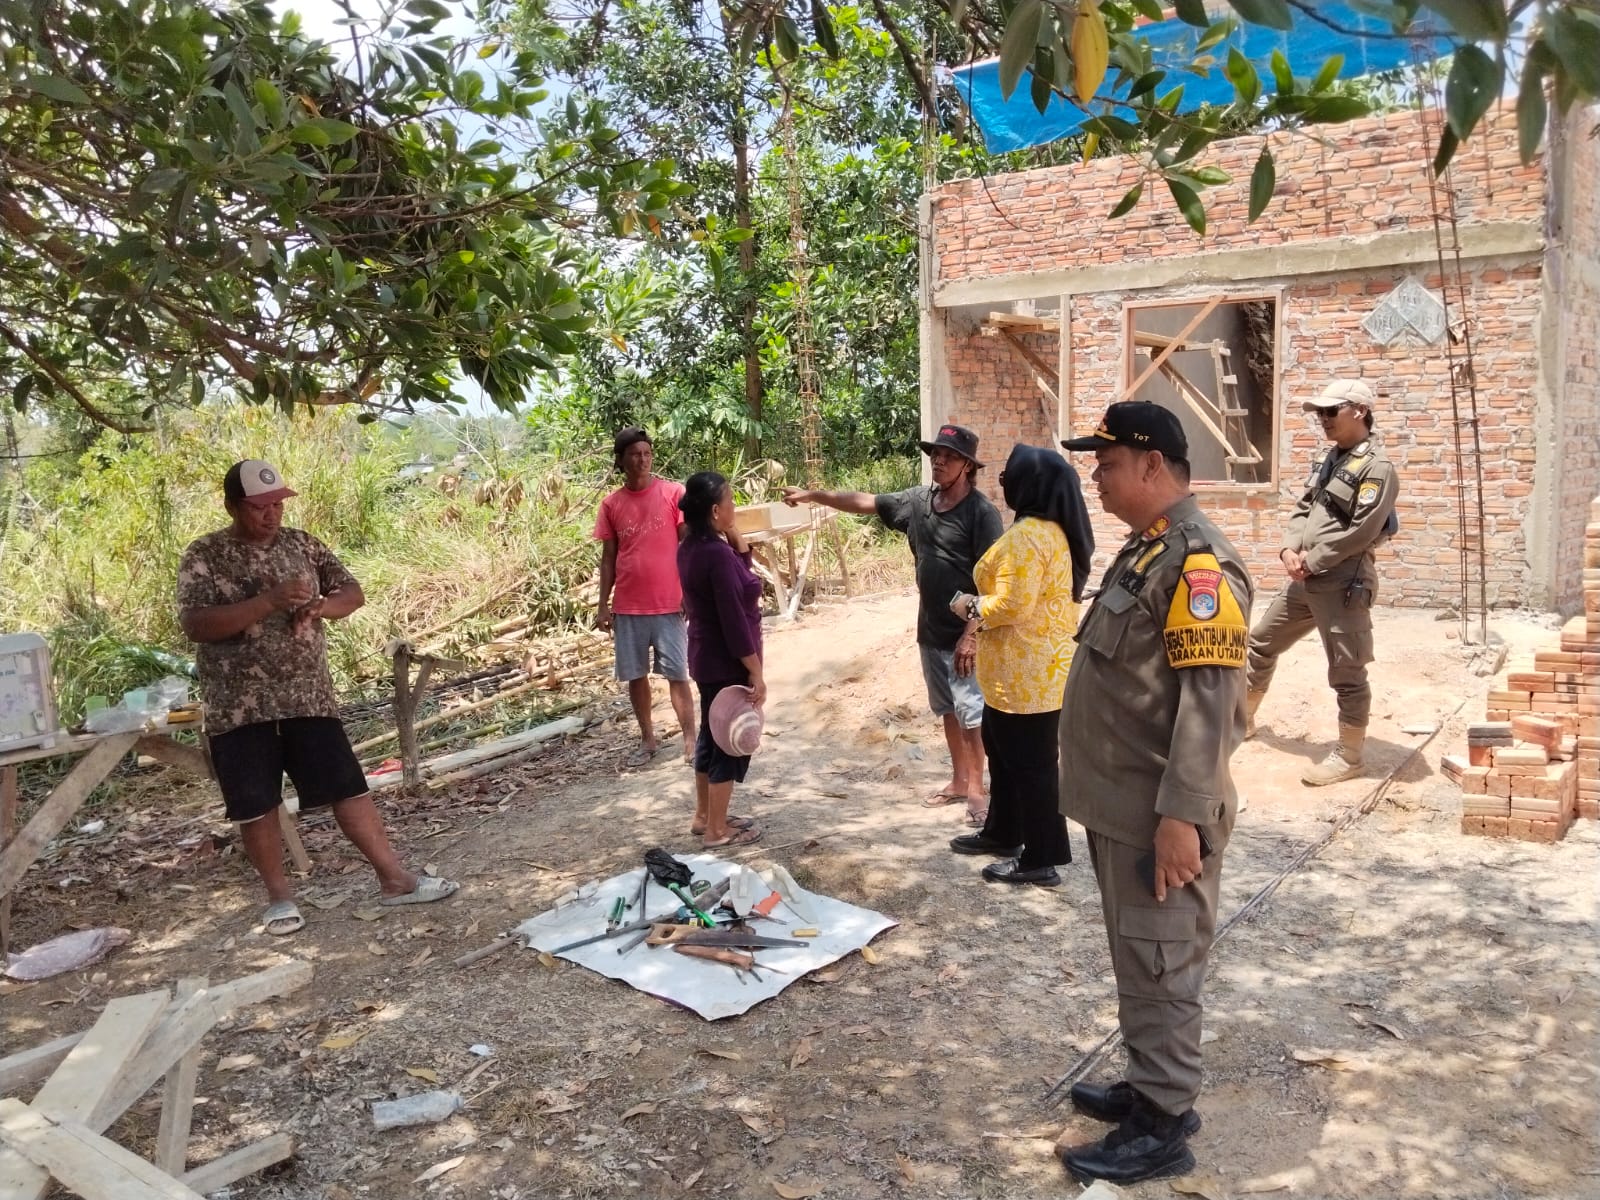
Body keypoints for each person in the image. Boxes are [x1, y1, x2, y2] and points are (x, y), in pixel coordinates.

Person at [1056, 403, 1252, 1184]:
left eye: (1106, 464)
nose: (1096, 478)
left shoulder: (1198, 563)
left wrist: (1182, 817)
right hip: (1123, 805)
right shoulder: (1149, 550)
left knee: (1162, 962)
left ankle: (1164, 1123)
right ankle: (1149, 1084)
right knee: (1140, 958)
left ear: (1151, 464)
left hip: (1159, 814)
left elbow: (1212, 703)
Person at [178, 461, 459, 937]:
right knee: (256, 804)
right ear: (232, 506)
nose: (272, 514)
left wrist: (322, 606)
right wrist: (268, 602)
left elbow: (352, 592)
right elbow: (196, 624)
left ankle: (395, 880)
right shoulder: (205, 554)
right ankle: (279, 899)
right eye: (259, 507)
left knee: (348, 788)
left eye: (277, 504)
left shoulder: (302, 544)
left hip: (308, 697)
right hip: (239, 706)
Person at [782, 424, 1002, 824]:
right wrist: (814, 495)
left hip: (966, 637)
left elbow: (991, 582)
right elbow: (865, 501)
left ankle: (976, 788)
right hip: (930, 630)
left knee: (972, 716)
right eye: (935, 454)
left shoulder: (982, 514)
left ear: (967, 465)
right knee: (948, 711)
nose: (938, 461)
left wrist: (970, 636)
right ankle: (958, 780)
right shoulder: (918, 502)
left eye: (949, 456)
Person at [944, 444, 1094, 886]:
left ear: (1030, 485)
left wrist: (968, 605)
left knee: (1032, 767)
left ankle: (1041, 858)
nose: (1003, 482)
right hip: (1026, 672)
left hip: (1026, 675)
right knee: (1005, 754)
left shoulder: (1028, 538)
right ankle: (1004, 831)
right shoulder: (1051, 531)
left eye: (1009, 476)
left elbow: (1013, 604)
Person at [1245, 380, 1399, 785]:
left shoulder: (1377, 468)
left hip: (1343, 583)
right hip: (1306, 578)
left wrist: (1312, 561)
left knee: (1347, 672)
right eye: (1320, 413)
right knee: (1261, 642)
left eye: (1331, 411)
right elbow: (1304, 507)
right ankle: (1242, 720)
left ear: (1359, 411)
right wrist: (1288, 549)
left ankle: (1350, 757)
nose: (1323, 419)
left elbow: (1363, 530)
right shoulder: (1331, 459)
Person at [594, 427, 697, 768]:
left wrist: (690, 590)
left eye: (647, 453)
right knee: (635, 676)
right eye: (635, 454)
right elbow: (609, 557)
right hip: (628, 605)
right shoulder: (611, 504)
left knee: (677, 674)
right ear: (621, 460)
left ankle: (690, 741)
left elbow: (687, 543)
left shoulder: (673, 493)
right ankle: (648, 739)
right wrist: (602, 605)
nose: (642, 460)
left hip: (669, 602)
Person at [677, 471, 766, 849]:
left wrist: (733, 534)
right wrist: (755, 671)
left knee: (711, 738)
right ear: (715, 510)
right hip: (726, 661)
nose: (735, 507)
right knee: (728, 743)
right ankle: (717, 830)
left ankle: (704, 817)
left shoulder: (691, 547)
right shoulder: (715, 555)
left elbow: (742, 573)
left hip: (704, 657)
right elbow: (734, 621)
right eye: (730, 501)